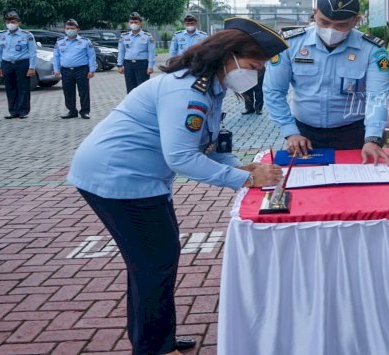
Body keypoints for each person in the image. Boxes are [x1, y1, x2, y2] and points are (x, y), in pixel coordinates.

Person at [68, 17, 286, 355]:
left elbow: (204, 148)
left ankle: (156, 338)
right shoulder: (187, 92)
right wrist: (245, 179)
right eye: (253, 65)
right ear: (229, 55)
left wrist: (241, 166)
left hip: (139, 179)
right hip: (117, 178)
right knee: (154, 263)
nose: (255, 74)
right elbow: (182, 159)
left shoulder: (209, 88)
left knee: (154, 261)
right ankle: (154, 347)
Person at [263, 0, 389, 165]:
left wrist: (372, 138)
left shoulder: (373, 51)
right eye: (324, 22)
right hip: (302, 135)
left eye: (341, 25)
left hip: (353, 134)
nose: (331, 29)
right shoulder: (290, 44)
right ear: (315, 14)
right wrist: (289, 131)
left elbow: (377, 96)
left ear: (356, 20)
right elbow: (274, 91)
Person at [0, 11, 36, 119]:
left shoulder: (27, 35)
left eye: (13, 21)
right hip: (7, 64)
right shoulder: (1, 35)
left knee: (23, 88)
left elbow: (33, 52)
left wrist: (32, 67)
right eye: (8, 21)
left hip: (22, 63)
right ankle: (13, 111)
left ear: (19, 22)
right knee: (10, 88)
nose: (10, 23)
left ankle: (23, 111)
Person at [53, 19, 97, 119]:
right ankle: (72, 111)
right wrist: (56, 69)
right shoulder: (60, 42)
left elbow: (91, 56)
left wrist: (92, 70)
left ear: (78, 30)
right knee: (68, 91)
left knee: (83, 91)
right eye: (68, 28)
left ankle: (85, 111)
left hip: (81, 70)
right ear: (64, 29)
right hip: (66, 70)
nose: (70, 30)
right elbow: (56, 57)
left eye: (72, 28)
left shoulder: (85, 42)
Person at [117, 12, 157, 93]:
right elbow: (121, 51)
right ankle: (131, 105)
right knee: (130, 88)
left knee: (142, 89)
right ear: (128, 23)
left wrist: (150, 66)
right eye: (131, 22)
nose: (133, 24)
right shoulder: (124, 36)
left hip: (142, 64)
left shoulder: (147, 36)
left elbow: (151, 53)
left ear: (140, 23)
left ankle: (143, 105)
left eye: (136, 22)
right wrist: (119, 65)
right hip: (128, 64)